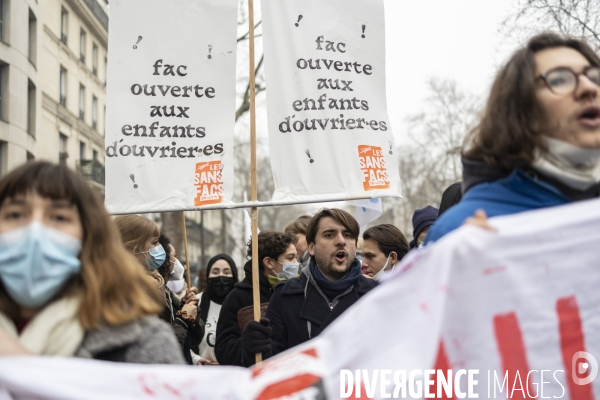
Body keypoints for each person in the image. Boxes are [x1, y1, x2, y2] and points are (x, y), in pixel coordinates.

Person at [0, 161, 184, 363]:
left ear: (88, 235)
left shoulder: (144, 342)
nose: (35, 232)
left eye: (59, 217)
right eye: (15, 214)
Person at [426, 33, 600, 243]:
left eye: (594, 77)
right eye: (560, 79)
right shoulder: (460, 232)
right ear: (520, 110)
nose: (589, 88)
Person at [257, 209, 378, 358]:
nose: (341, 241)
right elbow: (272, 364)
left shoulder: (376, 295)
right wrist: (256, 348)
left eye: (348, 235)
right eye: (329, 235)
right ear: (312, 248)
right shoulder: (285, 297)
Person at [115, 215, 202, 364]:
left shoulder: (158, 284)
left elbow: (192, 340)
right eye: (154, 243)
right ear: (132, 248)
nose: (160, 248)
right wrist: (183, 319)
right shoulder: (130, 289)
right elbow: (156, 350)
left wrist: (183, 308)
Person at [215, 230, 297, 367]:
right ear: (269, 262)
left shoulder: (297, 291)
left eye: (296, 258)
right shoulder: (238, 297)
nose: (296, 263)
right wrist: (247, 344)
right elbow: (223, 351)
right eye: (290, 258)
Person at [192, 254, 238, 365]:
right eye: (215, 272)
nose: (221, 277)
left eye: (226, 272)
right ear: (208, 275)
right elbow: (184, 340)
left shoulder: (241, 304)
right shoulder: (196, 302)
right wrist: (195, 359)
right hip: (203, 374)